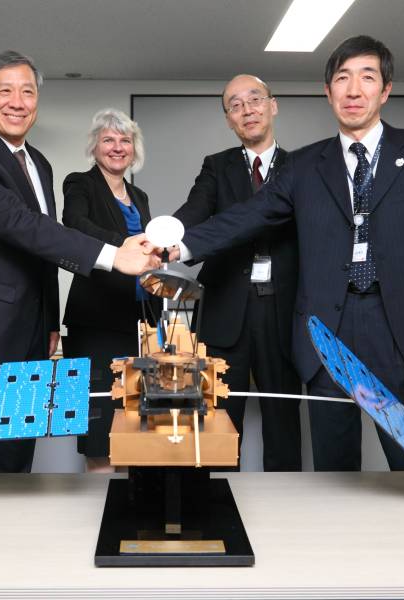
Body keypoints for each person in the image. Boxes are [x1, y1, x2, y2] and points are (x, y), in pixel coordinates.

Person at [175, 35, 404, 472]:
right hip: (328, 330)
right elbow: (248, 216)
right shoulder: (304, 166)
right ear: (327, 93)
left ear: (385, 90)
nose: (353, 90)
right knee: (334, 466)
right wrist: (176, 246)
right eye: (342, 79)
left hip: (399, 329)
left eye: (367, 77)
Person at [0, 51, 159, 474]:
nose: (17, 102)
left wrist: (49, 321)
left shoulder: (40, 164)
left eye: (27, 92)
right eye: (6, 91)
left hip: (28, 338)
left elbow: (42, 249)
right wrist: (112, 254)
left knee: (15, 468)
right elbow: (20, 225)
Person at [172, 75, 302, 471]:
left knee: (284, 421)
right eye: (235, 105)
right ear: (228, 119)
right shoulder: (216, 167)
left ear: (272, 105)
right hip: (228, 310)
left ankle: (285, 514)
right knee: (221, 423)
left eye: (255, 100)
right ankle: (220, 510)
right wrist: (164, 235)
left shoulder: (304, 167)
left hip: (284, 311)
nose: (247, 110)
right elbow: (193, 214)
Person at [61, 109, 155, 472]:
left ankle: (125, 508)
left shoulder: (140, 195)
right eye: (109, 140)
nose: (118, 147)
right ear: (95, 147)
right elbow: (75, 225)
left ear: (135, 149)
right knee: (100, 426)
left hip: (140, 323)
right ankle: (100, 510)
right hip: (97, 323)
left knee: (135, 424)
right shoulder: (79, 184)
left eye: (125, 140)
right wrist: (126, 247)